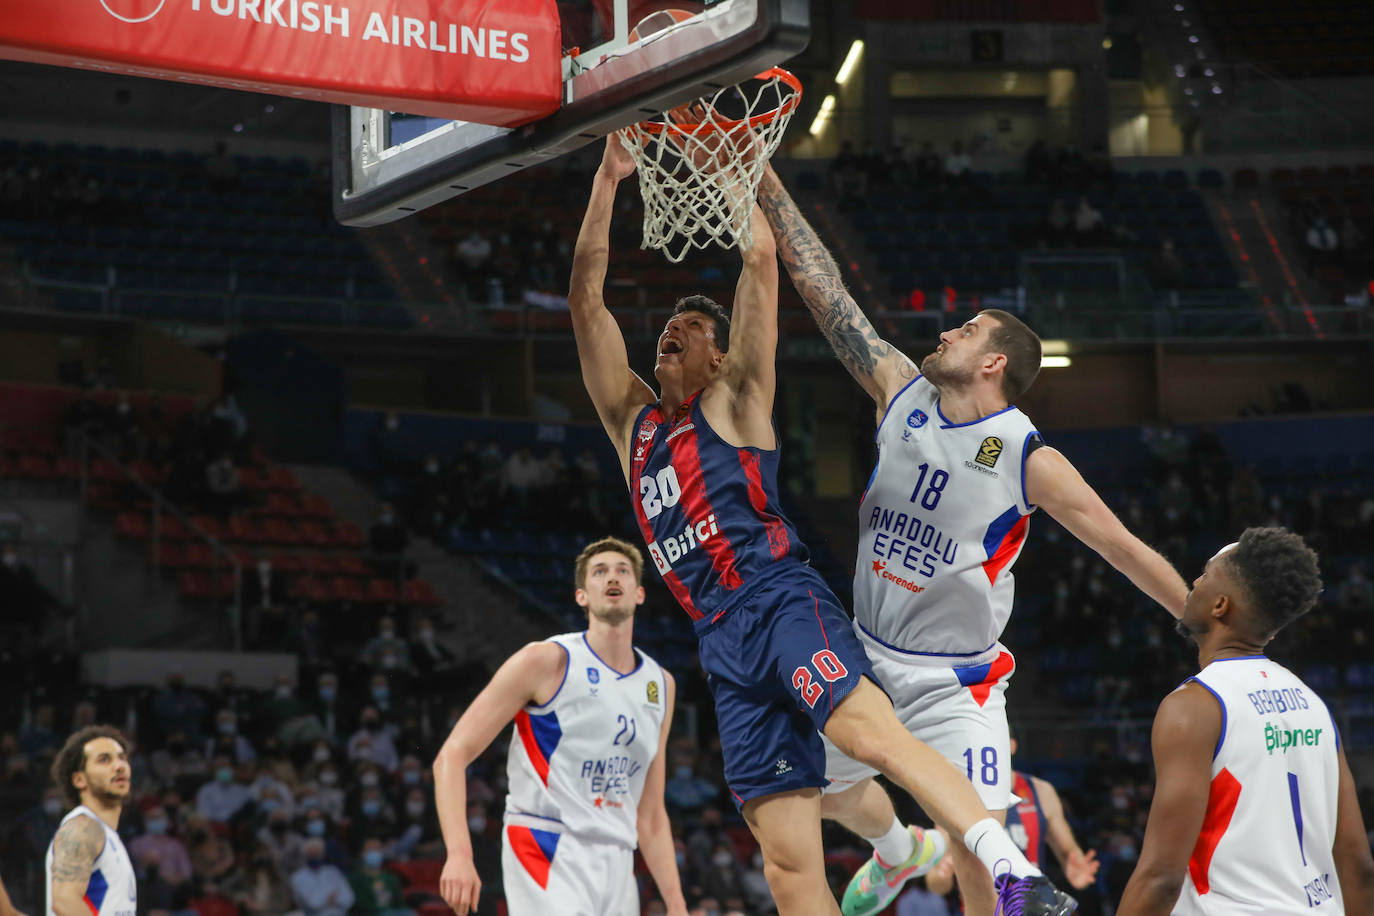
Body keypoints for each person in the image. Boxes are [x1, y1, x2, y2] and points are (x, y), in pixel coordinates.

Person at [567, 135, 1072, 915]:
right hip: (719, 637)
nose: (674, 325)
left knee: (872, 739)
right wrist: (606, 181)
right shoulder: (628, 420)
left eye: (694, 326)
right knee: (789, 866)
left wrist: (727, 165)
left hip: (778, 597)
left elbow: (761, 261)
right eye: (669, 322)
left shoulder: (735, 400)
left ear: (719, 358)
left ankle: (1009, 872)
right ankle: (903, 850)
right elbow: (585, 301)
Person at [757, 167, 1189, 916]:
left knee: (977, 852)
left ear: (995, 364)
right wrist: (762, 179)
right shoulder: (900, 390)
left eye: (969, 330)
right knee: (800, 797)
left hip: (957, 683)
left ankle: (924, 852)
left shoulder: (1027, 456)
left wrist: (1199, 619)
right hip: (862, 655)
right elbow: (824, 289)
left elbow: (1119, 545)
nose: (948, 330)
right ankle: (897, 850)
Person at [1117, 528, 1374, 915]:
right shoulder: (1312, 703)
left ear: (1220, 605)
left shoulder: (1196, 706)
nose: (1194, 583)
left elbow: (1161, 877)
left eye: (1204, 575)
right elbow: (1358, 867)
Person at [434, 537, 689, 916]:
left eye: (622, 571)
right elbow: (451, 756)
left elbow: (650, 815)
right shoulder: (547, 661)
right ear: (582, 596)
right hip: (546, 844)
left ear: (639, 593)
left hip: (618, 859)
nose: (612, 577)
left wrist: (677, 905)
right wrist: (458, 854)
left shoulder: (660, 685)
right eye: (599, 572)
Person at [926, 735, 1100, 904]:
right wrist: (942, 874)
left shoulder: (1041, 792)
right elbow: (934, 882)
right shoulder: (957, 797)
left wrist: (1075, 863)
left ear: (1012, 745)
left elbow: (1068, 851)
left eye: (995, 737)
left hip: (1030, 906)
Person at [44, 725, 137, 916]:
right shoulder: (82, 827)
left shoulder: (106, 834)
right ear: (79, 780)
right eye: (104, 760)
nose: (119, 766)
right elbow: (65, 901)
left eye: (122, 757)